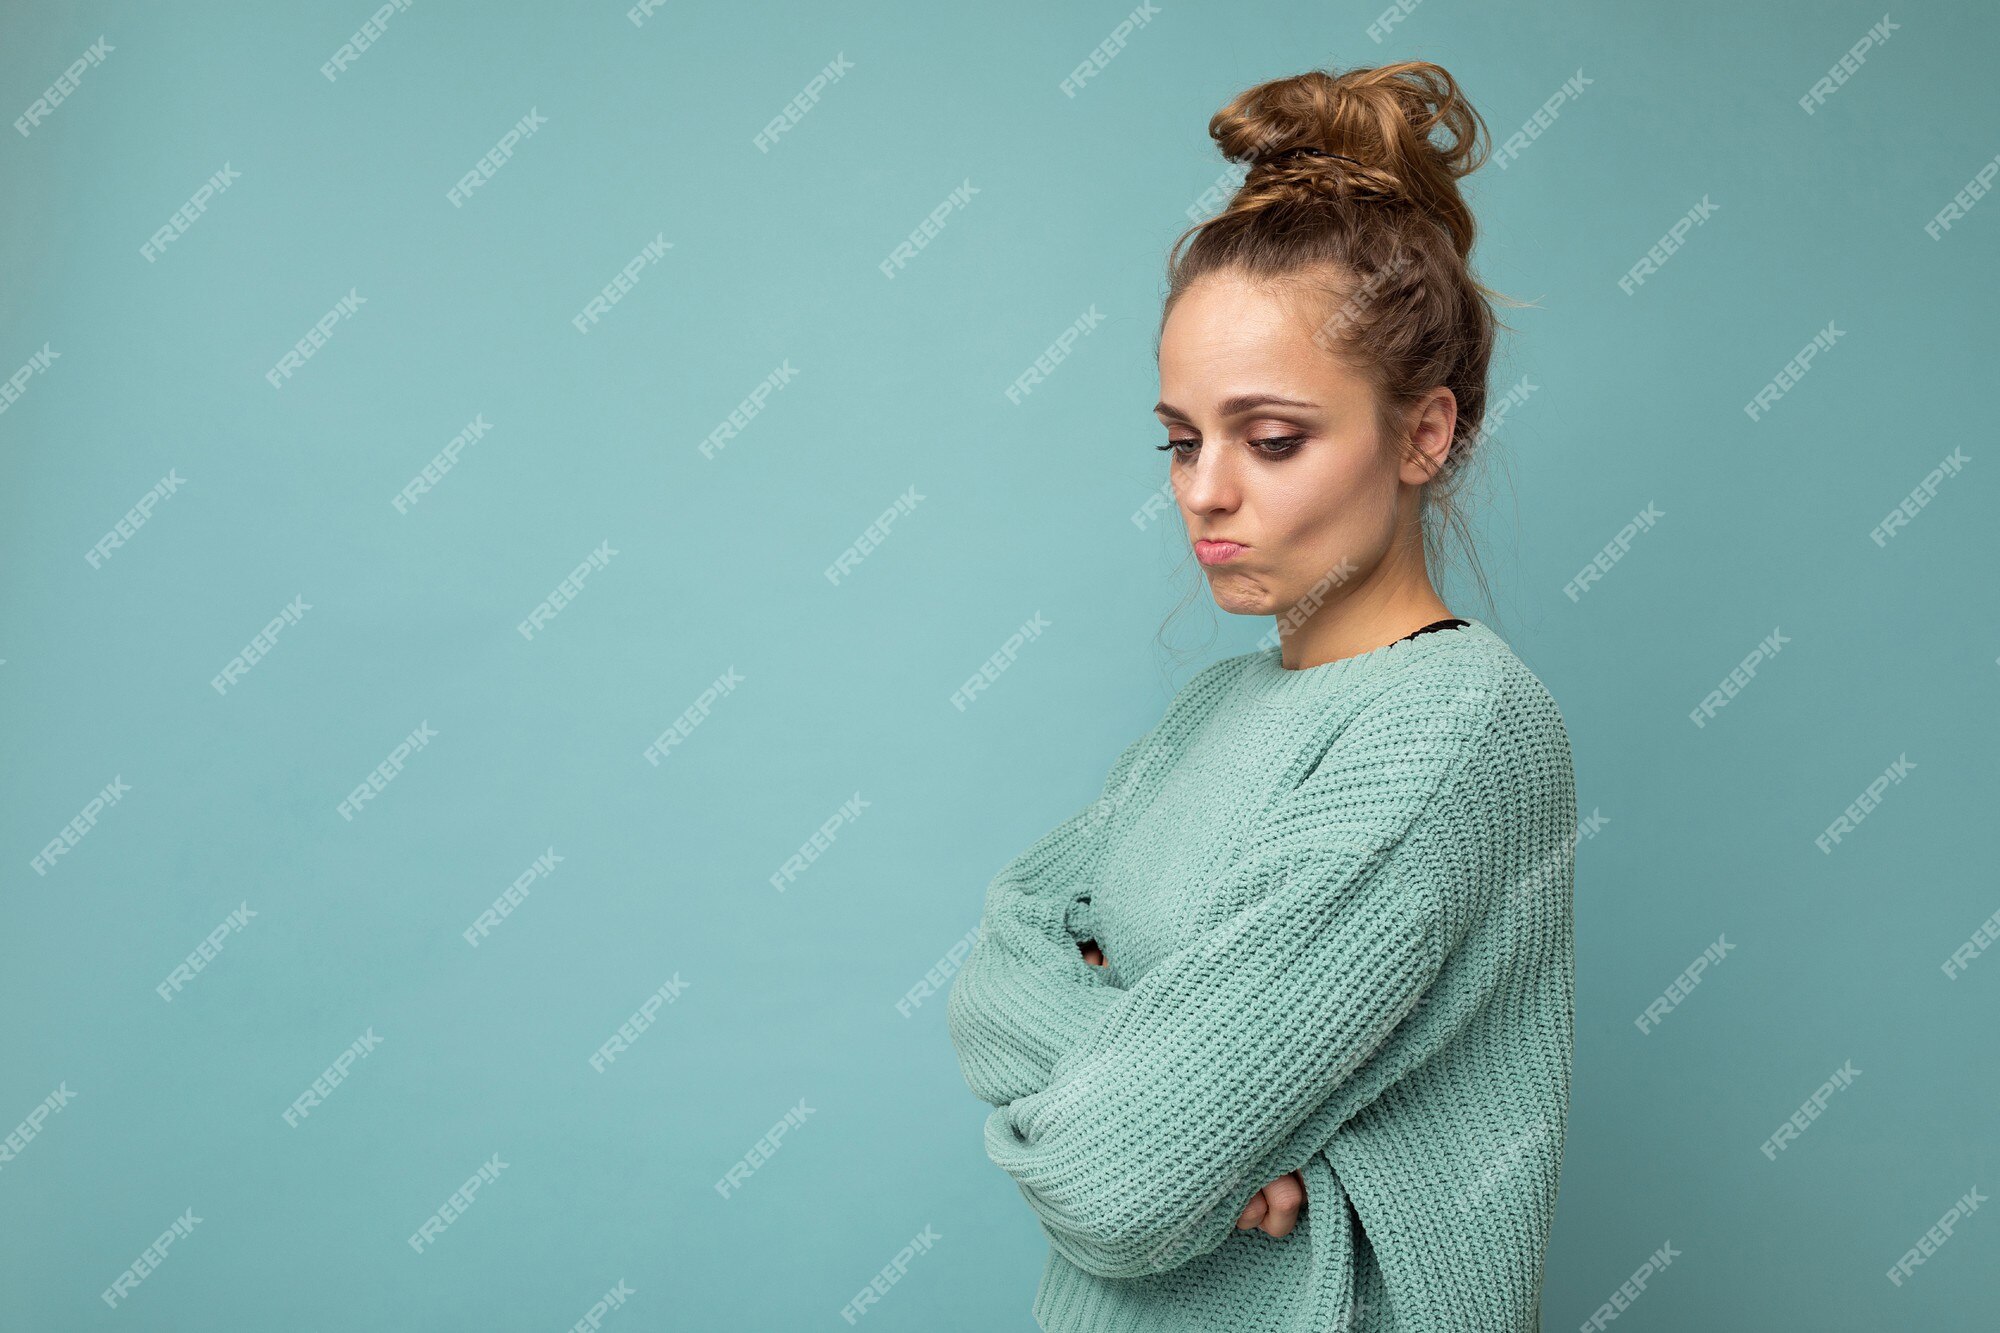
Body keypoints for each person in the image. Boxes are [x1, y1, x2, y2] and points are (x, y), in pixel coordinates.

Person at [945, 60, 1577, 1332]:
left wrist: (1156, 1131)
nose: (1201, 490)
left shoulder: (1453, 728)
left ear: (1422, 433)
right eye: (1181, 439)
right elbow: (996, 956)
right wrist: (1186, 1127)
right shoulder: (1211, 712)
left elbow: (1120, 1184)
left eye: (1269, 438)